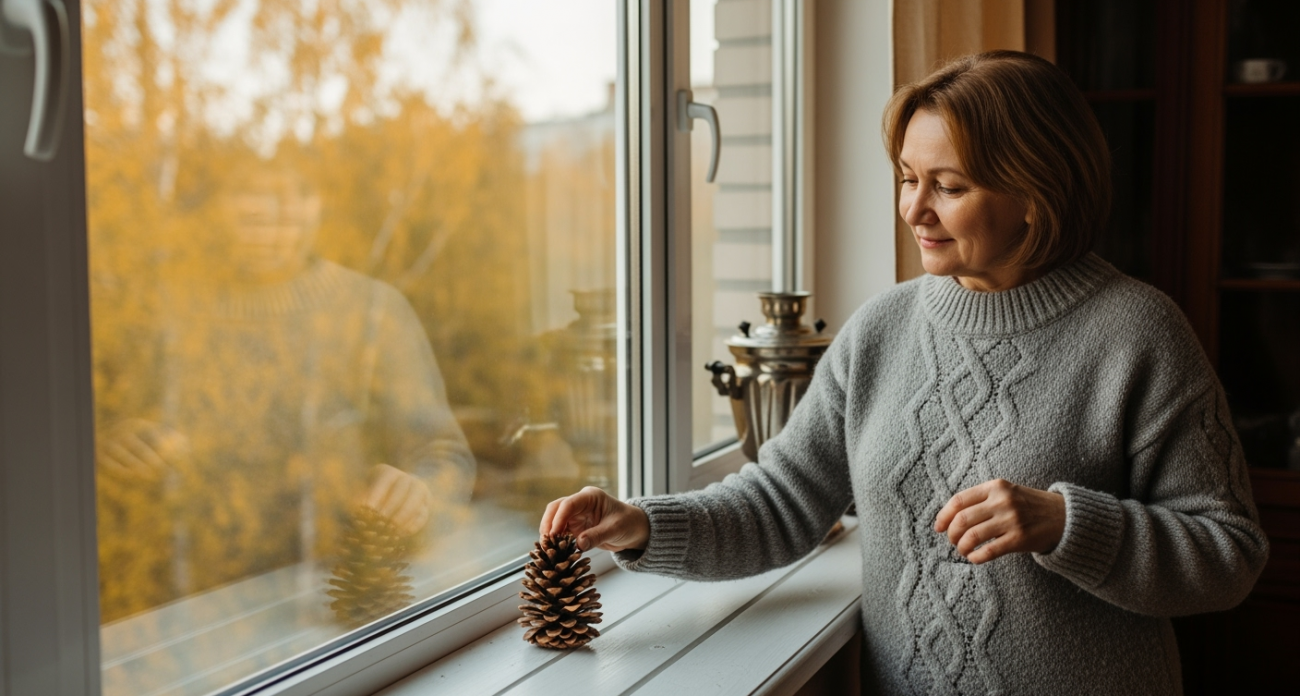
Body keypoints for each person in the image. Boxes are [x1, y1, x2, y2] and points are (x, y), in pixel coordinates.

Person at [540, 51, 1268, 695]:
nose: (914, 209)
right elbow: (781, 502)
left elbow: (1228, 556)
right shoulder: (882, 327)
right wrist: (639, 524)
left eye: (948, 186)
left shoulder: (1139, 332)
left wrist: (1066, 523)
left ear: (1036, 195)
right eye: (907, 178)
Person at [95, 165, 475, 610]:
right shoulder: (156, 313)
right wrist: (111, 448)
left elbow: (445, 455)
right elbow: (83, 441)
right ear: (214, 214)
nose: (268, 232)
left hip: (332, 607)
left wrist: (420, 492)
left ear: (315, 215)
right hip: (180, 613)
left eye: (285, 215)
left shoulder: (373, 311)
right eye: (251, 216)